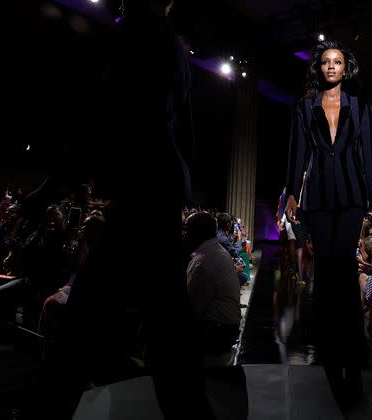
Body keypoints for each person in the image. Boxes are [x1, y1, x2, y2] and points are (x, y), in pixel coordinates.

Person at [24, 1, 214, 418]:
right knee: (166, 335)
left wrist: (47, 189)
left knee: (84, 330)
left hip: (140, 193)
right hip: (157, 191)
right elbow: (180, 131)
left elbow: (107, 121)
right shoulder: (172, 45)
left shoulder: (140, 33)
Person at [284, 39, 372, 409]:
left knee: (344, 276)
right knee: (326, 277)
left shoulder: (360, 107)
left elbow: (370, 155)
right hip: (319, 202)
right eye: (325, 62)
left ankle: (354, 362)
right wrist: (292, 192)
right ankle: (330, 356)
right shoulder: (303, 107)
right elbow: (297, 153)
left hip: (353, 198)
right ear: (319, 68)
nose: (330, 67)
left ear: (346, 68)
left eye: (337, 62)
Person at [184, 211, 241, 367]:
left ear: (197, 233)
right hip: (227, 328)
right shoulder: (215, 251)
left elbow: (193, 307)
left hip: (218, 332)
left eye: (186, 230)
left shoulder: (203, 261)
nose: (184, 235)